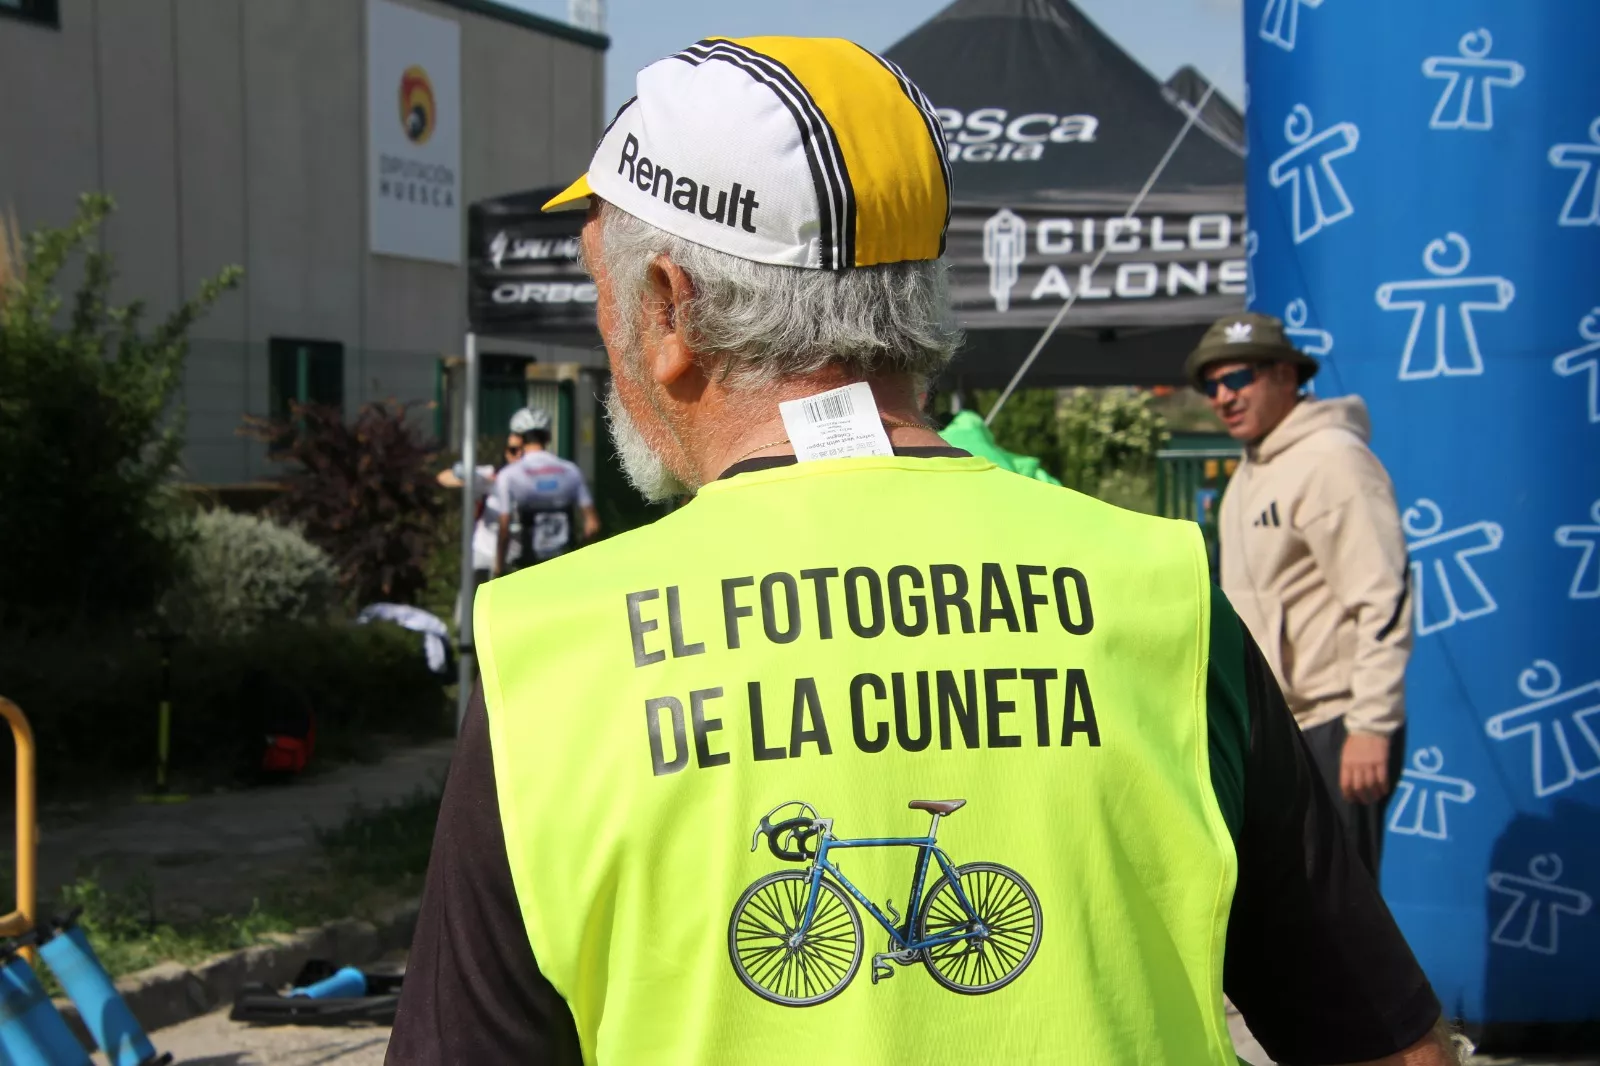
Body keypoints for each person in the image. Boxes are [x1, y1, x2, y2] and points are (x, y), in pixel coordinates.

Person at [388, 38, 1453, 1066]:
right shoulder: (1161, 591)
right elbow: (1390, 1045)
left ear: (668, 309)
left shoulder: (551, 650)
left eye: (604, 302)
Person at [1188, 312, 1412, 879]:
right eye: (1211, 384)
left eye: (1238, 379)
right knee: (1299, 923)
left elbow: (1382, 597)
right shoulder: (1249, 472)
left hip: (1337, 723)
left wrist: (1370, 726)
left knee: (1345, 923)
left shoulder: (1333, 460)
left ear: (1287, 375)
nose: (1222, 397)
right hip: (1281, 728)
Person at [491, 407, 600, 575]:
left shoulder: (509, 475)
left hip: (528, 568)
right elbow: (593, 524)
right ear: (548, 437)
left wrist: (498, 569)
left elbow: (504, 529)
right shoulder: (570, 471)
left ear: (519, 440)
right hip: (566, 567)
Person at [436, 431, 525, 585]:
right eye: (513, 450)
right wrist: (475, 482)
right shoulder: (492, 474)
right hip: (483, 556)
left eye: (523, 450)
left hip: (515, 560)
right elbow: (444, 477)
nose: (519, 455)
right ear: (505, 453)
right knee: (472, 605)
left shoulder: (534, 481)